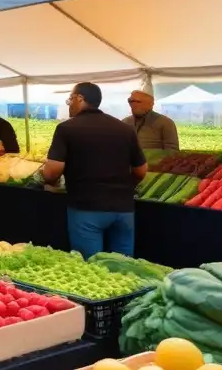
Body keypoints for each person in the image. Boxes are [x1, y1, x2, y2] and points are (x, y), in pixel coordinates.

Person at [41, 82, 148, 258]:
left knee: (91, 269)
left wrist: (50, 181)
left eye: (70, 99)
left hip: (87, 208)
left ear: (80, 98)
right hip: (123, 210)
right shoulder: (125, 129)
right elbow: (141, 170)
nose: (69, 104)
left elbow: (52, 171)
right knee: (124, 268)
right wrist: (124, 186)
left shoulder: (67, 128)